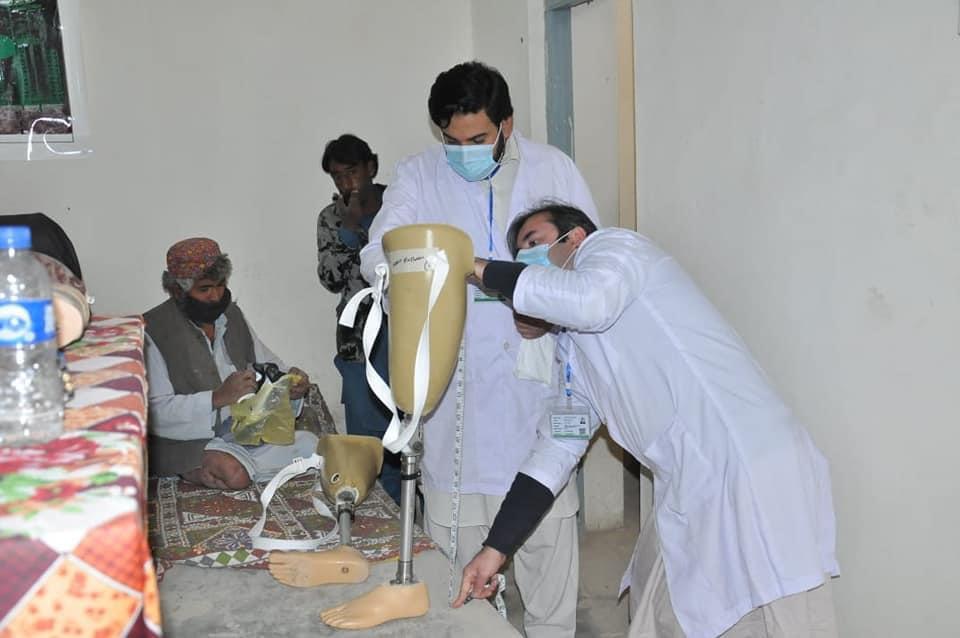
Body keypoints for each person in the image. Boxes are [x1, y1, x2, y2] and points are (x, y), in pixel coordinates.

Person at [458, 203, 840, 638]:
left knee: (789, 618)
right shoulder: (575, 356)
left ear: (576, 237)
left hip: (751, 466)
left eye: (534, 242)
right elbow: (556, 449)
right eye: (520, 254)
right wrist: (495, 549)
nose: (527, 259)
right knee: (658, 610)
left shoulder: (617, 250)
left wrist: (473, 265)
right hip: (689, 485)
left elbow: (590, 301)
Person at [359, 61, 598, 637]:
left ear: (506, 124)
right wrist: (415, 282)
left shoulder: (554, 169)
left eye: (477, 139)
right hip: (454, 386)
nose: (463, 152)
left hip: (538, 379)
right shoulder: (418, 175)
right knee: (459, 583)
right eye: (453, 140)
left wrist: (549, 312)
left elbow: (589, 261)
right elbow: (378, 255)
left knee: (546, 560)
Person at [145, 237, 317, 490]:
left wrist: (290, 383)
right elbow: (154, 413)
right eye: (204, 289)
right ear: (178, 290)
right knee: (234, 475)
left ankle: (242, 464)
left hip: (241, 430)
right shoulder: (153, 330)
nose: (216, 296)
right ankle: (197, 468)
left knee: (314, 447)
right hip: (185, 440)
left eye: (220, 285)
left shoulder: (230, 315)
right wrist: (216, 398)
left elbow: (267, 362)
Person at [317, 133, 400, 504]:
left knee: (401, 429)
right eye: (337, 176)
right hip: (357, 337)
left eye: (352, 172)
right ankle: (374, 513)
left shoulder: (399, 205)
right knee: (364, 433)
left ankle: (406, 512)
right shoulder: (330, 218)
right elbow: (330, 278)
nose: (346, 182)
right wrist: (347, 233)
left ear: (372, 167)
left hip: (401, 331)